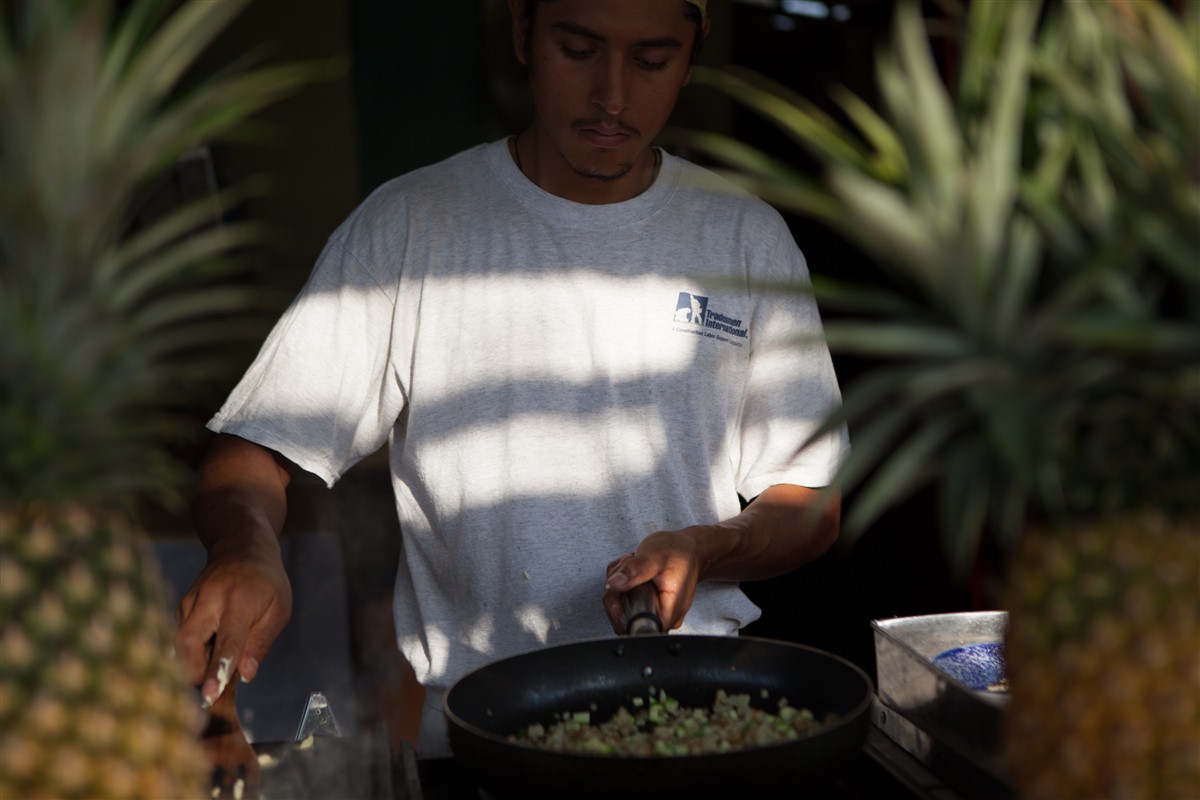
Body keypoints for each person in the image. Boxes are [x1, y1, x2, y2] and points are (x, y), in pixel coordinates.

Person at [175, 0, 848, 758]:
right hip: (472, 735)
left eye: (652, 60)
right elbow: (250, 456)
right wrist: (247, 548)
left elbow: (809, 499)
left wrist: (706, 544)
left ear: (692, 57)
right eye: (579, 49)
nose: (614, 96)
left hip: (694, 721)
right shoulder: (410, 226)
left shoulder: (743, 237)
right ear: (524, 34)